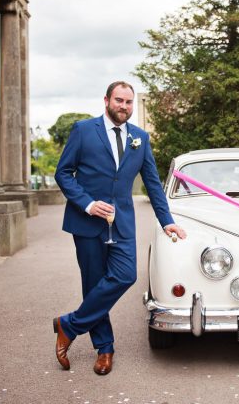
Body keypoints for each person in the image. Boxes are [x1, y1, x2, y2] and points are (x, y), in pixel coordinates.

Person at [53, 81, 186, 375]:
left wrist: (168, 221)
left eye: (128, 102)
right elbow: (63, 173)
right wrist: (87, 204)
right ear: (106, 100)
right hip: (87, 223)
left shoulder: (140, 138)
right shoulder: (83, 130)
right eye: (119, 100)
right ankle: (105, 348)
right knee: (93, 284)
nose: (123, 106)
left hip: (122, 223)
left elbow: (152, 183)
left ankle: (69, 325)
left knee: (126, 275)